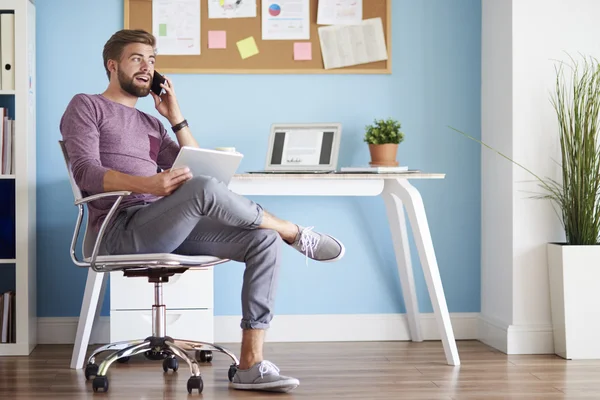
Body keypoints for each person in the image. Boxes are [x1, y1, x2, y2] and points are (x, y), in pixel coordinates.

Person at [60, 29, 345, 393]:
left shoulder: (151, 123)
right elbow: (85, 171)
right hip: (119, 229)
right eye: (137, 59)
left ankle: (250, 365)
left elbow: (203, 172)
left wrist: (175, 116)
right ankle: (294, 231)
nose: (147, 67)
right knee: (207, 191)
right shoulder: (86, 105)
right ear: (112, 65)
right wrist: (149, 184)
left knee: (264, 240)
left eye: (152, 60)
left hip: (162, 225)